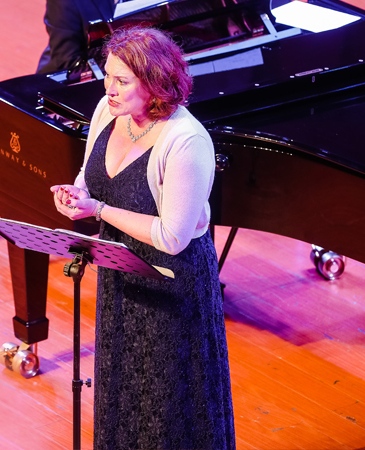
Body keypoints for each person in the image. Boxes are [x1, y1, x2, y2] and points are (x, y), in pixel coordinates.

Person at [48, 27, 235, 450]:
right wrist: (76, 196)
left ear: (154, 82)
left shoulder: (186, 140)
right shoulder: (106, 111)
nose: (108, 89)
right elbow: (89, 178)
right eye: (107, 76)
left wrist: (98, 210)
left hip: (171, 285)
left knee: (167, 406)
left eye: (121, 80)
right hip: (119, 273)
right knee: (122, 393)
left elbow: (172, 236)